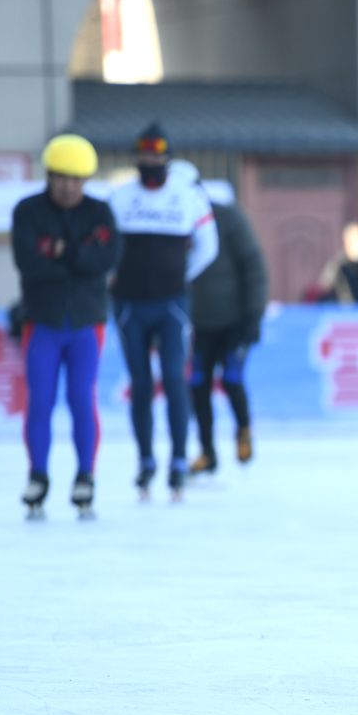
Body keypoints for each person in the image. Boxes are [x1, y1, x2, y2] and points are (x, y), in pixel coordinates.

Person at [11, 134, 122, 517]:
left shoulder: (100, 212)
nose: (67, 186)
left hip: (86, 323)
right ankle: (38, 475)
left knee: (80, 398)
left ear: (85, 181)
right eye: (61, 177)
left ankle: (85, 476)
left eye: (75, 179)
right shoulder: (28, 211)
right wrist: (79, 253)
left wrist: (59, 250)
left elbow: (104, 260)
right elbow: (29, 262)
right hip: (42, 321)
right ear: (50, 176)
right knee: (39, 401)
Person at [108, 122, 218, 498]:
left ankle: (179, 458)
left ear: (168, 158)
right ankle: (145, 459)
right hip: (129, 306)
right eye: (144, 153)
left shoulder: (187, 197)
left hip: (172, 304)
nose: (150, 160)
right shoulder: (120, 199)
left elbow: (208, 246)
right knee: (140, 384)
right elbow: (106, 249)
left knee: (174, 379)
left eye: (157, 154)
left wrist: (181, 278)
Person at [172, 161, 268, 475]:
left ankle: (243, 431)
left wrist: (254, 314)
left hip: (235, 320)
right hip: (199, 323)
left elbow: (254, 267)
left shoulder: (227, 218)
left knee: (232, 379)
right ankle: (207, 450)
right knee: (198, 385)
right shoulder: (173, 225)